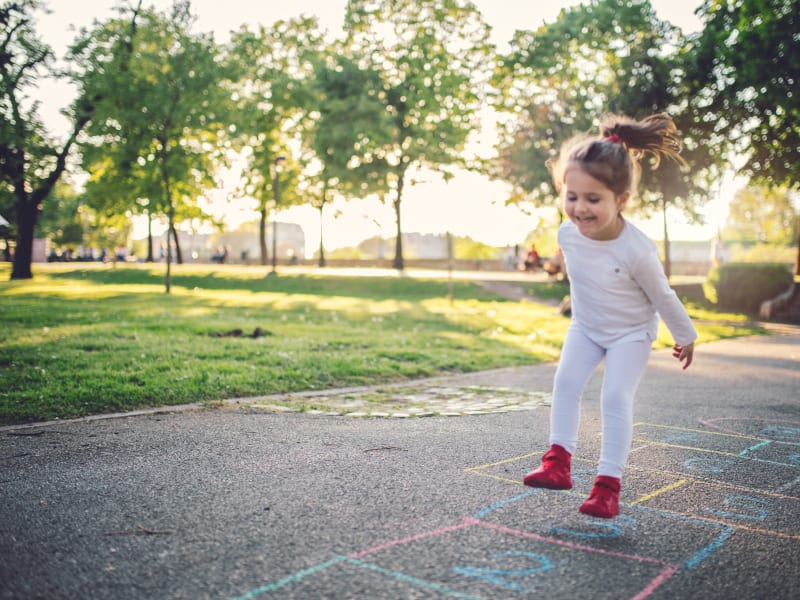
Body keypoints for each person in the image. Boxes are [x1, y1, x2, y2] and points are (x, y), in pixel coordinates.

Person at [522, 113, 697, 519]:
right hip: (586, 327)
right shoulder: (567, 234)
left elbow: (662, 295)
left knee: (615, 397)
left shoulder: (636, 249)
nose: (579, 209)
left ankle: (606, 487)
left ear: (622, 200)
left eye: (593, 199)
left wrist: (685, 334)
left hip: (630, 334)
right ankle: (558, 465)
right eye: (571, 196)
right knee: (565, 382)